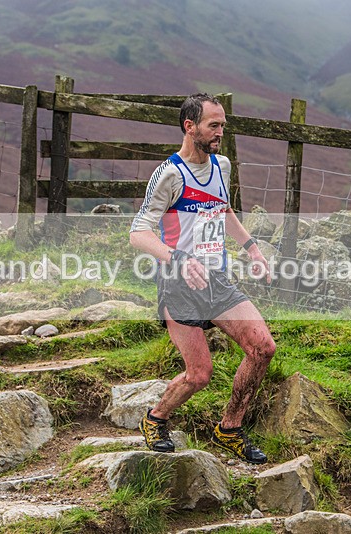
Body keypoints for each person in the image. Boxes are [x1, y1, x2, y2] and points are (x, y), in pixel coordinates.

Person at [129, 93, 276, 464]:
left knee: (262, 348)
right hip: (178, 285)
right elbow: (138, 233)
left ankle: (229, 428)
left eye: (223, 125)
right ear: (189, 126)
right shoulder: (170, 174)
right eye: (214, 125)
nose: (220, 132)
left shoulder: (222, 166)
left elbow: (222, 210)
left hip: (218, 279)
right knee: (199, 374)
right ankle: (156, 418)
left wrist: (252, 248)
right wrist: (178, 259)